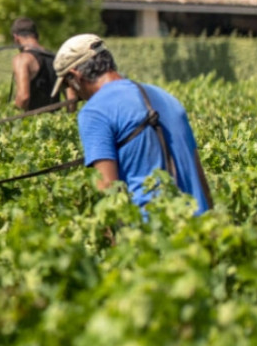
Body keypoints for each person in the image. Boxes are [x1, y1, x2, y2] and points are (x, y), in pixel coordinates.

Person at [51, 34, 213, 215]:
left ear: (76, 76)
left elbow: (108, 190)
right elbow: (200, 178)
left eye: (68, 85)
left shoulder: (95, 112)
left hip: (149, 235)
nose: (73, 94)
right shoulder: (167, 98)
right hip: (200, 228)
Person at [9, 17, 59, 111]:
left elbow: (23, 97)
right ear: (36, 36)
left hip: (31, 121)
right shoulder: (55, 58)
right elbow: (71, 98)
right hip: (55, 121)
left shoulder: (22, 59)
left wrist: (13, 119)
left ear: (16, 38)